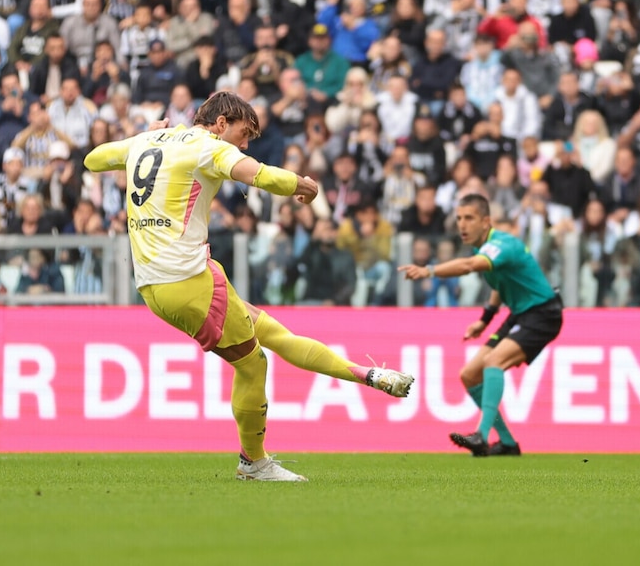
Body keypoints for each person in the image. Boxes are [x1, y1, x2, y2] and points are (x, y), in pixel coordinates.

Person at [84, 92, 414, 482]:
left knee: (273, 333)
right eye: (243, 134)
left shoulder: (147, 141)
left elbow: (94, 159)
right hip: (187, 281)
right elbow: (259, 174)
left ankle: (368, 375)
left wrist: (145, 132)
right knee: (253, 364)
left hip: (159, 284)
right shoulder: (207, 146)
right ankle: (253, 462)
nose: (244, 145)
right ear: (221, 122)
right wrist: (301, 185)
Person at [399, 194, 564, 457]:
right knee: (469, 375)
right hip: (520, 314)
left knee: (493, 362)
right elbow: (499, 284)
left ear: (486, 221)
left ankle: (481, 436)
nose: (462, 225)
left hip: (542, 314)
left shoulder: (502, 245)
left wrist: (429, 270)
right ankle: (508, 443)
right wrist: (484, 320)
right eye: (459, 218)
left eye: (469, 218)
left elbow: (468, 266)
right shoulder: (485, 248)